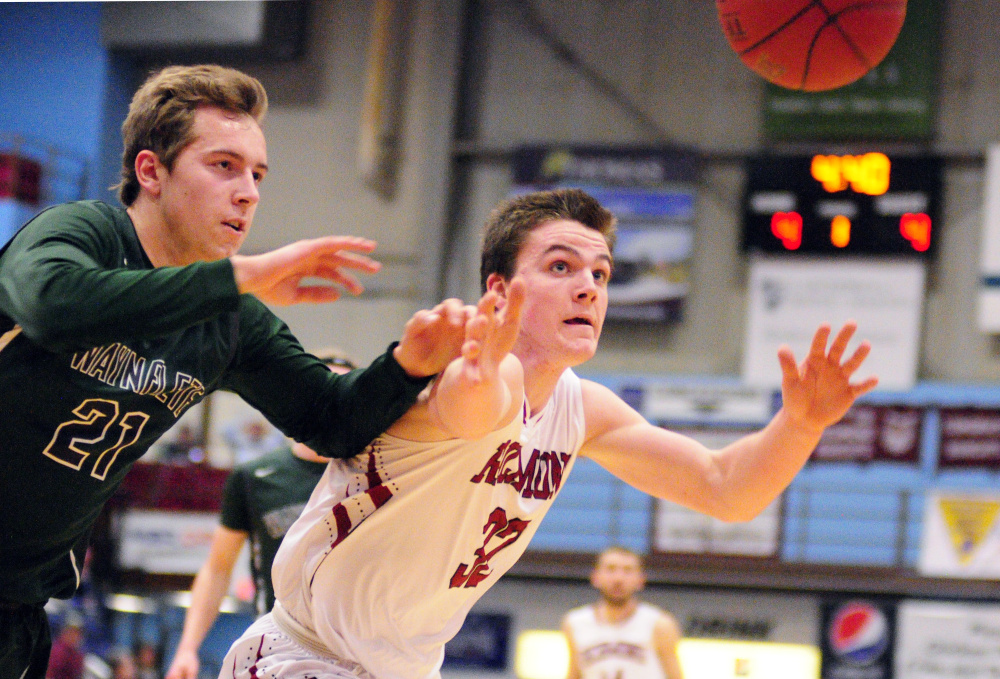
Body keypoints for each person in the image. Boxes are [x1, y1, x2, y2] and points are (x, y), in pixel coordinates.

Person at [219, 187, 879, 679]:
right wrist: (477, 363)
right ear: (500, 290)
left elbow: (727, 489)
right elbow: (472, 407)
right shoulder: (473, 370)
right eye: (562, 267)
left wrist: (799, 424)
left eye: (600, 274)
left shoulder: (582, 408)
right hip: (304, 656)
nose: (589, 288)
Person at [0, 63, 478, 679]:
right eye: (223, 165)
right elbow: (53, 305)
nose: (248, 191)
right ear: (151, 171)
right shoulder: (85, 232)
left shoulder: (228, 321)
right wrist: (242, 276)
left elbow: (329, 419)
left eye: (257, 173)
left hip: (18, 607)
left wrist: (409, 363)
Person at [164, 349, 357, 679]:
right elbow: (217, 568)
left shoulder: (375, 473)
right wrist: (187, 648)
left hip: (356, 652)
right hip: (277, 649)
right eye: (325, 391)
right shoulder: (255, 476)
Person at [562, 546, 684, 679]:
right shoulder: (575, 622)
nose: (618, 579)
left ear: (641, 580)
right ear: (595, 577)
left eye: (628, 571)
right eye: (611, 569)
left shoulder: (660, 624)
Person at [45, 612, 86, 679]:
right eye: (71, 632)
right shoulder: (55, 651)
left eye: (76, 633)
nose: (73, 636)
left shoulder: (78, 656)